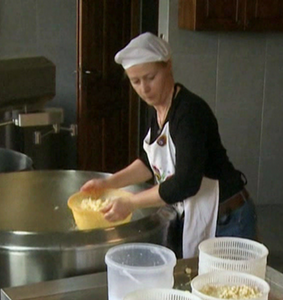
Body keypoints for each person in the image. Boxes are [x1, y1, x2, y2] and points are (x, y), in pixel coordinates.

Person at [80, 32, 257, 258]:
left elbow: (186, 182)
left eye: (150, 77)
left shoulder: (189, 112)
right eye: (136, 81)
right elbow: (149, 161)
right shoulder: (160, 111)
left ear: (168, 67)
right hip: (202, 215)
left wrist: (131, 203)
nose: (144, 88)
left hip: (229, 220)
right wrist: (108, 183)